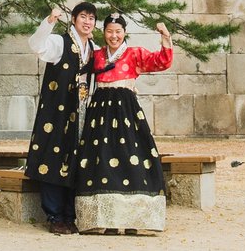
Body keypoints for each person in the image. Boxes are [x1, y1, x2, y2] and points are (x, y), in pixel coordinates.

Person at [73, 14, 172, 235]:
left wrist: (165, 38)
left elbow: (161, 62)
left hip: (126, 112)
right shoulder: (96, 54)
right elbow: (77, 70)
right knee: (101, 159)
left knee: (132, 158)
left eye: (118, 31)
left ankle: (132, 220)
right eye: (109, 31)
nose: (114, 36)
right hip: (100, 113)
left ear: (124, 32)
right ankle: (103, 219)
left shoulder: (134, 54)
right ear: (104, 32)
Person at [23, 1, 98, 234]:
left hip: (82, 112)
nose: (87, 22)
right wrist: (49, 22)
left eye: (91, 18)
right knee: (53, 157)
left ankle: (69, 214)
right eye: (83, 17)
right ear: (74, 19)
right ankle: (54, 215)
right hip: (57, 112)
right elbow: (36, 45)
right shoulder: (60, 42)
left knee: (75, 160)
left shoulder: (94, 48)